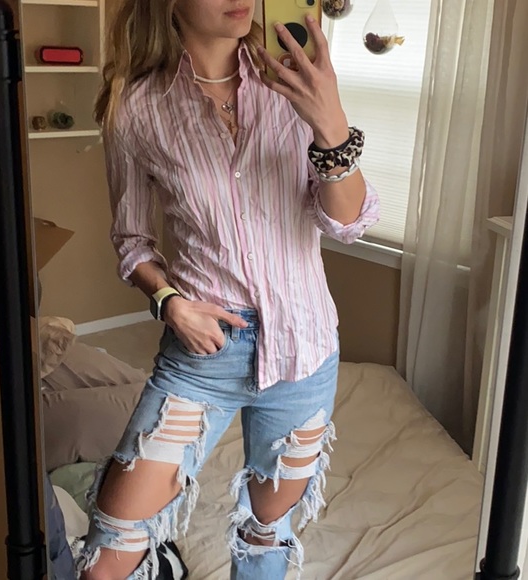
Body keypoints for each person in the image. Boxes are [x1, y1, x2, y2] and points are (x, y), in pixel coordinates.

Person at [77, 0, 380, 578]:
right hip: (203, 352)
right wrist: (170, 303)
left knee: (266, 534)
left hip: (303, 349)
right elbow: (133, 241)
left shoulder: (293, 83)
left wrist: (330, 124)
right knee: (112, 544)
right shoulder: (136, 107)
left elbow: (347, 222)